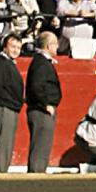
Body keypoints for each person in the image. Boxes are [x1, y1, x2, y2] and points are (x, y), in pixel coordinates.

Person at [0, 29, 24, 173]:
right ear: (5, 47)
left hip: (9, 106)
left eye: (18, 48)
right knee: (3, 143)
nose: (16, 50)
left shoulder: (7, 63)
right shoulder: (2, 62)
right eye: (13, 47)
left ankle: (1, 172)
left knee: (6, 142)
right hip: (4, 106)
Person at [24, 29, 61, 173]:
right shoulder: (41, 63)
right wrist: (45, 104)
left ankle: (37, 174)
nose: (57, 47)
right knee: (41, 146)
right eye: (55, 44)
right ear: (48, 46)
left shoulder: (41, 62)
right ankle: (36, 176)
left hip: (41, 109)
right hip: (41, 110)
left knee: (42, 145)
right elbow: (36, 87)